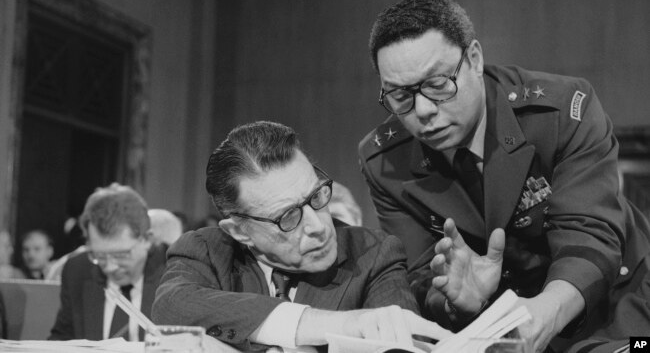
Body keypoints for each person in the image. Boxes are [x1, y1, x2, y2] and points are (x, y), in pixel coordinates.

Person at [358, 0, 650, 352]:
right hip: (502, 330)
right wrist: (456, 302)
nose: (422, 110)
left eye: (437, 85)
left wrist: (539, 317)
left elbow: (589, 236)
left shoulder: (560, 112)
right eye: (400, 95)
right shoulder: (384, 161)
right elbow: (420, 276)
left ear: (475, 59)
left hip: (615, 301)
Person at [152, 121, 451, 352]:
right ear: (240, 231)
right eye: (287, 217)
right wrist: (337, 325)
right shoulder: (205, 251)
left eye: (317, 196)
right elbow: (172, 305)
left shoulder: (373, 253)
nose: (318, 227)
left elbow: (400, 341)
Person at [49, 183, 167, 341]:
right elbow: (63, 339)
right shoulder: (77, 270)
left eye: (121, 255)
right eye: (100, 256)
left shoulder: (174, 273)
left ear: (147, 239)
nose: (110, 267)